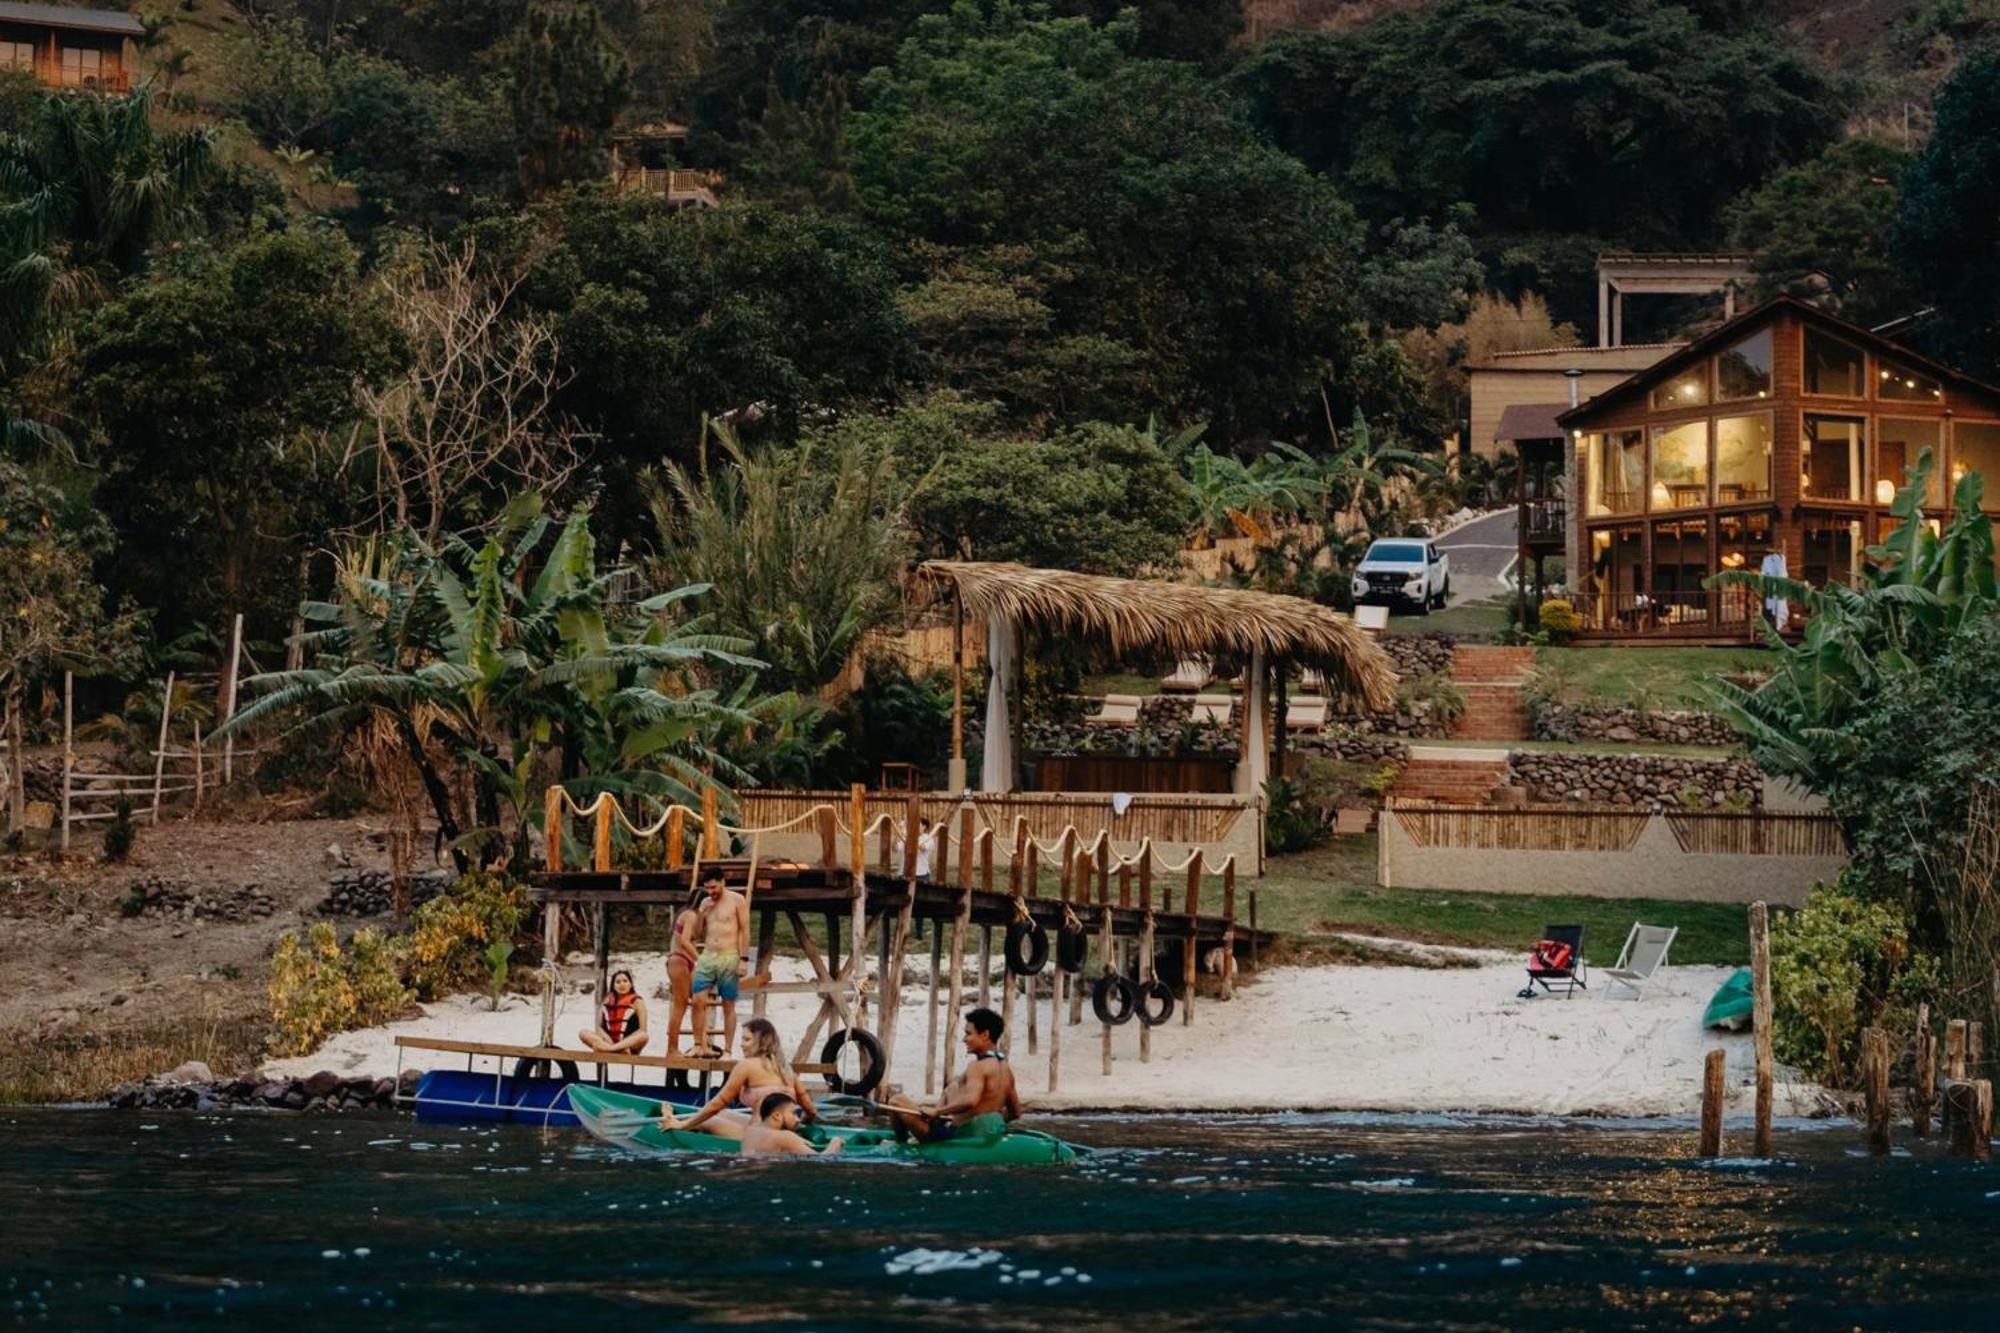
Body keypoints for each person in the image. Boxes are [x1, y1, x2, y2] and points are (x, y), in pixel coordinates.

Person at [661, 1017, 819, 1141]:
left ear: (761, 1041)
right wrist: (803, 1124)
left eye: (747, 1039)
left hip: (759, 1136)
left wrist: (684, 1125)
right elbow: (811, 1110)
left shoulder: (746, 1066)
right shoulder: (785, 1069)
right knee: (725, 1114)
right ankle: (676, 1118)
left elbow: (717, 1103)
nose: (741, 1045)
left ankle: (675, 1122)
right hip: (782, 1130)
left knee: (706, 1120)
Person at [881, 1007, 1020, 1144]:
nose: (964, 1039)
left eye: (968, 1033)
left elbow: (971, 1100)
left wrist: (937, 1111)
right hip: (983, 1134)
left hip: (957, 1137)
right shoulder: (1005, 1069)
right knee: (953, 1086)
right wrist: (988, 1124)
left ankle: (902, 1145)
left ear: (985, 1035)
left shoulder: (977, 1067)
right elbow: (1015, 1112)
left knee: (897, 1101)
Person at [689, 868, 750, 1057]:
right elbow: (696, 933)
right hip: (708, 955)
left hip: (729, 954)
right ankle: (699, 1044)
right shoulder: (706, 902)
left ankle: (728, 1049)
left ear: (723, 882)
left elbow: (745, 929)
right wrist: (701, 913)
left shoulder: (737, 900)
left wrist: (743, 958)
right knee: (698, 1000)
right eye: (707, 888)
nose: (711, 892)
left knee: (728, 1004)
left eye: (714, 887)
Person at [664, 887, 704, 1068]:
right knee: (680, 1005)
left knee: (698, 1000)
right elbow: (685, 941)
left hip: (685, 962)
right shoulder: (691, 915)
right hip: (679, 960)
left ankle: (699, 1044)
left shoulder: (694, 915)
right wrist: (700, 959)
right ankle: (671, 1049)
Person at [740, 1092, 843, 1157]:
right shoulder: (784, 1137)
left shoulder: (751, 1131)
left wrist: (795, 1140)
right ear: (777, 1115)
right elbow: (823, 1159)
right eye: (793, 1113)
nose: (798, 1119)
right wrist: (835, 1142)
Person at [577, 968, 649, 1054]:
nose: (622, 984)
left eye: (625, 981)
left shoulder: (638, 1002)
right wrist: (610, 1043)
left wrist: (621, 1044)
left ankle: (610, 1049)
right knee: (583, 1033)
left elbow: (642, 1029)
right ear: (613, 985)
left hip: (629, 1045)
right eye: (618, 982)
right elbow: (599, 1027)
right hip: (609, 1043)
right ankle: (615, 1050)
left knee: (644, 1036)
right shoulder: (607, 1002)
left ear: (630, 984)